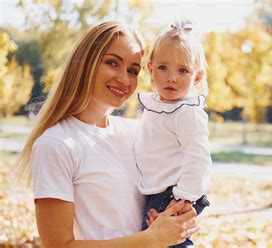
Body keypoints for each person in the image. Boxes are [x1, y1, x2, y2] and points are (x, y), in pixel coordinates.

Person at [14, 21, 198, 247]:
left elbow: (184, 177)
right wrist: (150, 239)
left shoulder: (137, 133)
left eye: (132, 70)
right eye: (112, 63)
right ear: (86, 64)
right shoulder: (56, 144)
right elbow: (59, 245)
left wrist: (179, 220)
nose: (124, 79)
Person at [135, 19, 212, 247]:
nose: (171, 77)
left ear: (197, 77)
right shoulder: (157, 106)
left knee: (166, 241)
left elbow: (198, 158)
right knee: (159, 240)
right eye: (163, 67)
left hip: (175, 193)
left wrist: (183, 198)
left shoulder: (186, 112)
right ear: (150, 68)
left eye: (183, 70)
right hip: (158, 189)